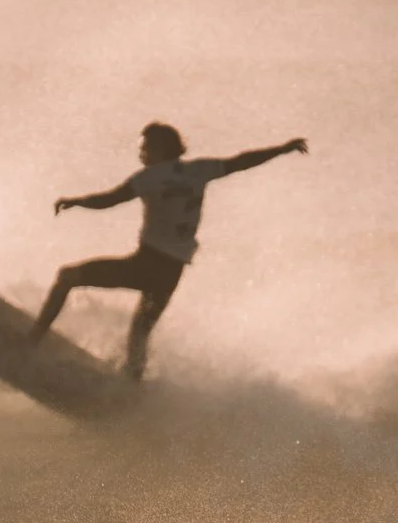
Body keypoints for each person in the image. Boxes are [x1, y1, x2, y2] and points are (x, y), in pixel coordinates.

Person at [31, 123, 307, 380]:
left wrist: (76, 201)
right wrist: (282, 149)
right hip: (170, 273)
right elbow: (241, 161)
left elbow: (110, 199)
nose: (141, 153)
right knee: (140, 333)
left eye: (144, 147)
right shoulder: (199, 170)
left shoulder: (149, 178)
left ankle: (30, 342)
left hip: (145, 265)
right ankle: (130, 390)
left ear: (159, 149)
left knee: (67, 276)